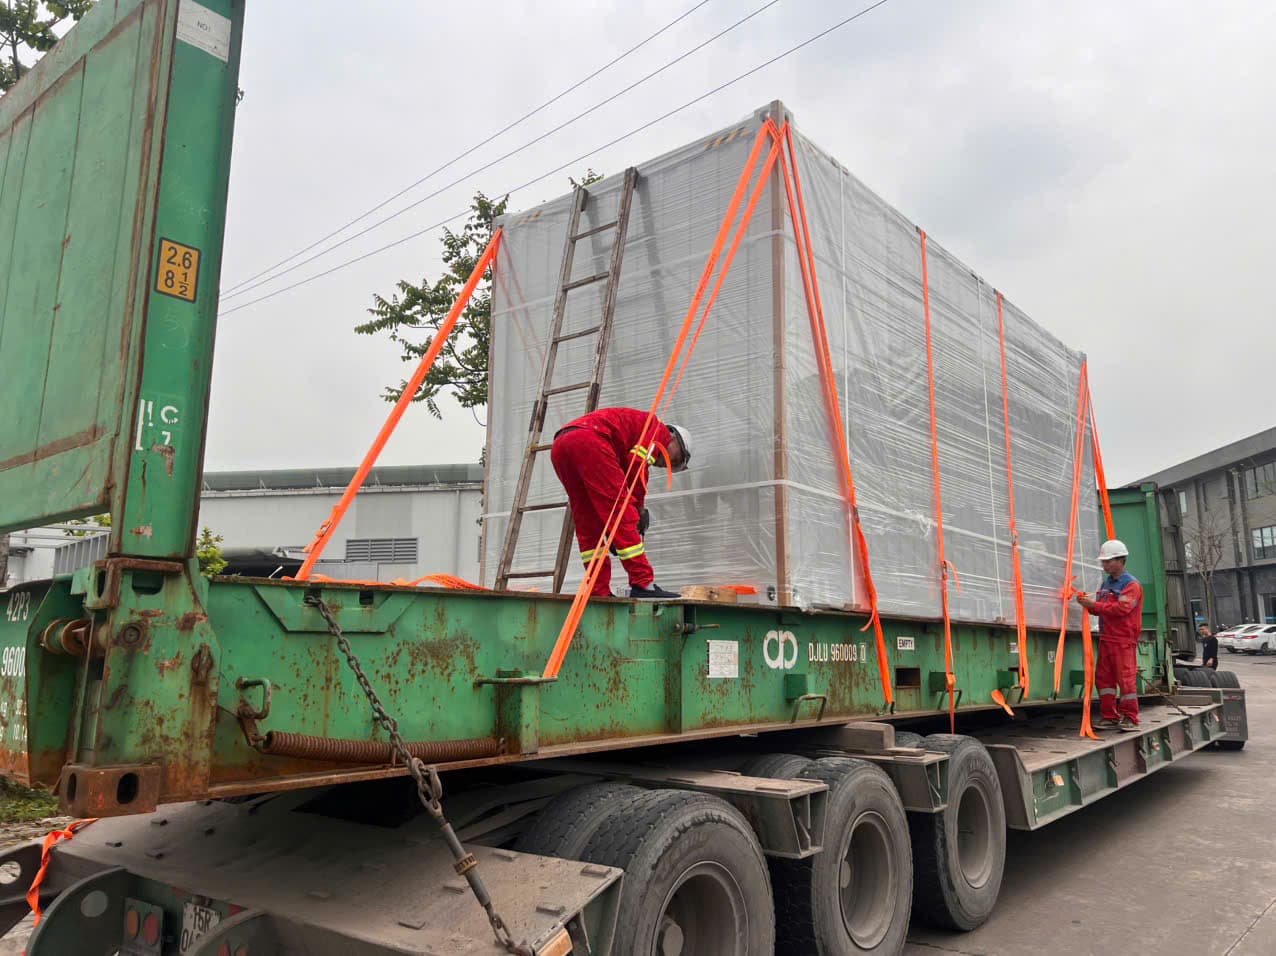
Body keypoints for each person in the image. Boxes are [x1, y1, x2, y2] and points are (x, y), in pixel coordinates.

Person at [550, 407, 691, 599]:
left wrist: (631, 514)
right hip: (590, 439)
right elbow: (636, 469)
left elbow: (629, 478)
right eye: (677, 460)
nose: (668, 465)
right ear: (675, 440)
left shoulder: (637, 437)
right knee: (623, 514)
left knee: (588, 523)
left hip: (561, 445)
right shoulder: (659, 433)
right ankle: (643, 583)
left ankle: (598, 590)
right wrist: (634, 513)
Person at [1075, 539, 1144, 732]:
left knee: (1126, 680)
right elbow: (1101, 609)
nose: (1104, 565)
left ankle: (1130, 717)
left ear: (1121, 560)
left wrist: (1094, 605)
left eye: (1108, 561)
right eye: (1103, 561)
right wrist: (1088, 604)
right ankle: (1109, 716)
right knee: (1104, 679)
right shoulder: (1107, 584)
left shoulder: (1131, 585)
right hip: (1107, 638)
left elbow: (1122, 609)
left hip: (1123, 640)